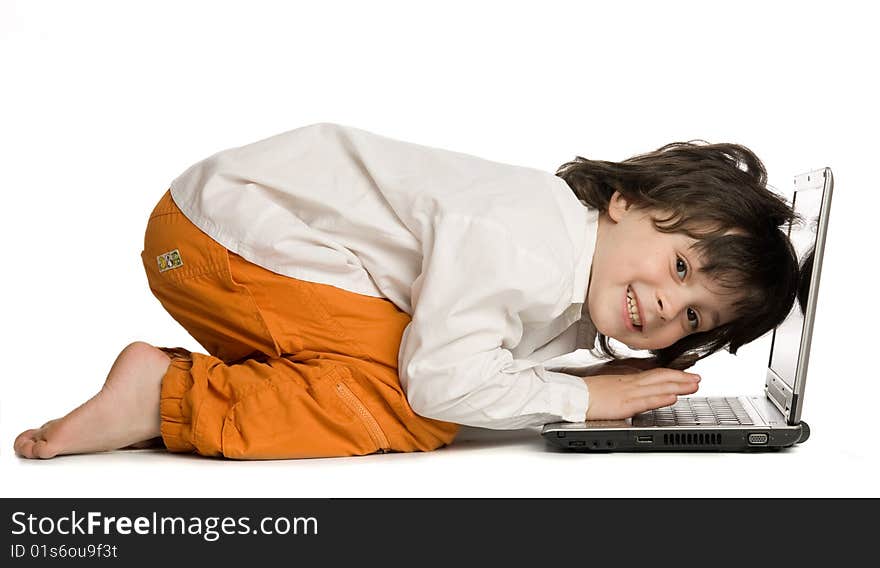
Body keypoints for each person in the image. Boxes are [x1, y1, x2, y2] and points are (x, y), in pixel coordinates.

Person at [14, 123, 799, 460]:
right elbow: (445, 381)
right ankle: (166, 397)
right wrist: (580, 403)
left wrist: (587, 382)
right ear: (626, 200)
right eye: (682, 267)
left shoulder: (566, 272)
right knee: (414, 409)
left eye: (694, 317)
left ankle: (196, 395)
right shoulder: (530, 244)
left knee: (423, 384)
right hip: (220, 237)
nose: (667, 304)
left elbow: (477, 356)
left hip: (229, 236)